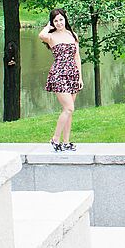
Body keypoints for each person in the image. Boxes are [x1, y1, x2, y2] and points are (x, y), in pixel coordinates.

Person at [39, 8, 83, 151]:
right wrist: (48, 26)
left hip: (73, 74)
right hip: (58, 74)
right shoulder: (51, 37)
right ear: (52, 22)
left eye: (61, 19)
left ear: (65, 19)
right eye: (55, 20)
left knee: (68, 110)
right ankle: (55, 139)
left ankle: (66, 142)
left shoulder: (72, 35)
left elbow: (77, 57)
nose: (59, 23)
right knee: (69, 108)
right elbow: (41, 35)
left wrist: (80, 77)